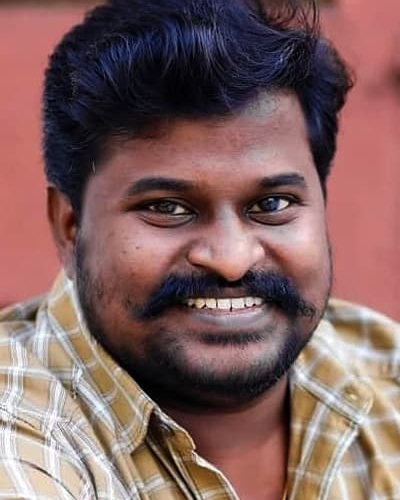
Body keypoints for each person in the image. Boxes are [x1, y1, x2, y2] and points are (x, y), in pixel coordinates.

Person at [0, 0, 399, 498]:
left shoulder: (386, 378)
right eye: (167, 208)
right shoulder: (17, 434)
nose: (231, 259)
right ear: (70, 226)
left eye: (272, 204)